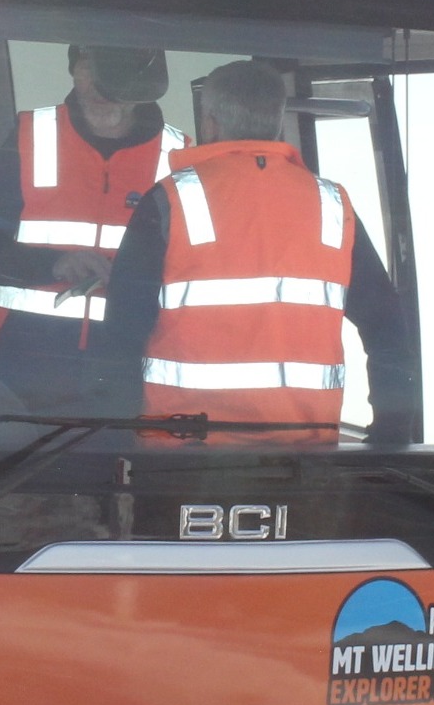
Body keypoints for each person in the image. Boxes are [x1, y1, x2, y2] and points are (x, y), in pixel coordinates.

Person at [96, 60, 417, 441]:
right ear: (277, 124)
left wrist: (113, 447)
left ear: (210, 122)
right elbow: (388, 329)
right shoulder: (333, 205)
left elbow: (120, 337)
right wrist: (391, 437)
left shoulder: (167, 202)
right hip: (304, 462)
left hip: (181, 461)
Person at [0, 45, 185, 408]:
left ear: (141, 87)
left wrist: (132, 280)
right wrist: (55, 264)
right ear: (74, 69)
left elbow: (191, 284)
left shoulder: (179, 156)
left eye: (110, 79)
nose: (96, 87)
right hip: (15, 371)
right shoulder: (31, 135)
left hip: (125, 377)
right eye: (88, 70)